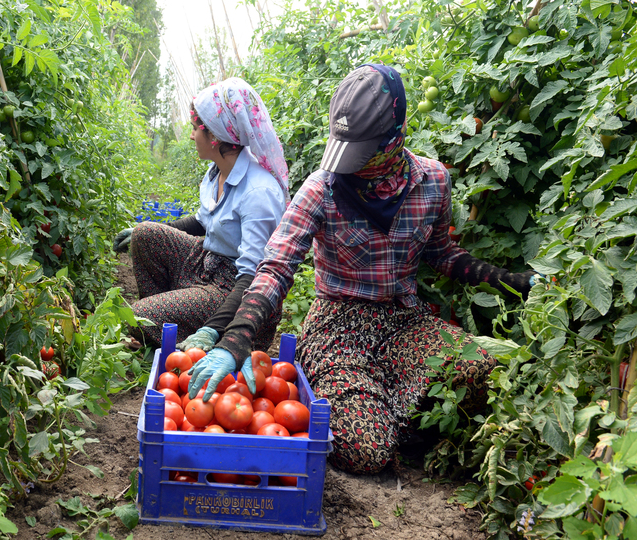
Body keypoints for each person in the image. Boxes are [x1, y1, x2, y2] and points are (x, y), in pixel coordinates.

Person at [188, 64, 544, 474]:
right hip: (337, 326)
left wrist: (511, 281)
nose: (351, 165)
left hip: (404, 321)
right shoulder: (322, 189)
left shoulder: (433, 181)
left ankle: (377, 403)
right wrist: (234, 341)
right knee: (365, 450)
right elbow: (275, 268)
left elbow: (442, 253)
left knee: (478, 370)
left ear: (396, 136)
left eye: (364, 152)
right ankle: (364, 404)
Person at [113, 78, 289, 352]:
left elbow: (254, 276)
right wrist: (140, 231)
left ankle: (198, 337)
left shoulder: (258, 191)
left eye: (195, 129)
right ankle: (168, 327)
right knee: (146, 234)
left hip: (234, 291)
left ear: (215, 136)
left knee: (139, 315)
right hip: (208, 265)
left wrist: (213, 328)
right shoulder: (218, 171)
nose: (192, 136)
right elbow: (201, 222)